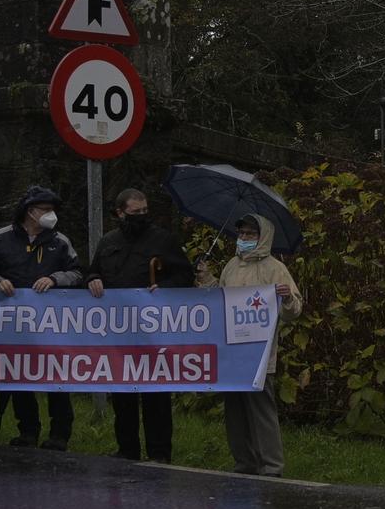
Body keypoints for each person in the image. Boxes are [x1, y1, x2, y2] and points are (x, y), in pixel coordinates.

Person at [86, 187, 195, 461]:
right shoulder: (108, 241)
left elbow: (185, 276)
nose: (142, 217)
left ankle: (160, 454)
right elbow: (92, 270)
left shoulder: (163, 240)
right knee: (122, 395)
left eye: (145, 211)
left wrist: (166, 287)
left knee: (156, 396)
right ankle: (127, 450)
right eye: (136, 213)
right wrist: (92, 279)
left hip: (153, 334)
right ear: (120, 213)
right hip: (118, 332)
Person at [0, 185, 82, 450]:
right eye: (46, 210)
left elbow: (78, 273)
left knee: (56, 379)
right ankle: (28, 431)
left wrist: (55, 279)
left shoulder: (61, 242)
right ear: (30, 212)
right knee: (19, 377)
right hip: (13, 324)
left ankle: (59, 434)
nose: (51, 215)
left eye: (53, 210)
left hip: (52, 326)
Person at [204, 214, 303, 476]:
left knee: (261, 410)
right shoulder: (230, 267)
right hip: (231, 351)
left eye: (251, 234)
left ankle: (271, 466)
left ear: (263, 237)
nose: (245, 238)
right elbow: (219, 301)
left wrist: (287, 298)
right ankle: (244, 462)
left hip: (260, 353)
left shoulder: (275, 268)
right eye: (242, 233)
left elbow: (294, 310)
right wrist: (205, 279)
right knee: (235, 411)